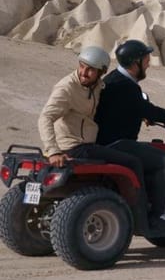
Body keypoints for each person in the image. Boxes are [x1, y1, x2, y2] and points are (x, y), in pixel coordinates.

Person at [95, 40, 165, 230]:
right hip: (117, 143)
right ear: (135, 63)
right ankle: (157, 215)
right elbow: (151, 110)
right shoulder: (125, 86)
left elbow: (122, 110)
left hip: (105, 141)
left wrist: (138, 115)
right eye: (146, 58)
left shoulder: (114, 79)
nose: (149, 62)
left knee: (150, 152)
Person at [38, 46, 146, 206]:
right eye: (81, 66)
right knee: (133, 162)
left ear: (101, 72)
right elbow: (45, 117)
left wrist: (140, 115)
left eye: (90, 69)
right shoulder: (67, 88)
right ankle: (139, 209)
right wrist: (53, 151)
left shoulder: (96, 87)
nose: (83, 72)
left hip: (85, 144)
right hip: (76, 147)